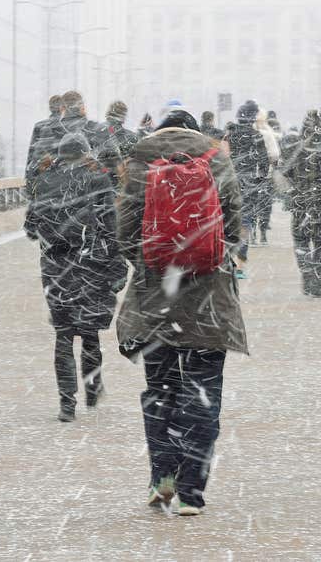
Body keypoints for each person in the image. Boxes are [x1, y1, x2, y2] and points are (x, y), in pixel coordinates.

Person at [115, 107, 247, 515]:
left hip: (155, 301)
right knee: (203, 395)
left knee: (161, 393)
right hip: (209, 301)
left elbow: (124, 234)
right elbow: (235, 228)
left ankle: (163, 477)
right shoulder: (216, 159)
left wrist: (157, 264)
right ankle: (192, 492)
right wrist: (208, 257)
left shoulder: (139, 163)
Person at [24, 132, 126, 421]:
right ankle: (93, 387)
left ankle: (66, 403)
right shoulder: (97, 178)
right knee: (90, 331)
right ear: (85, 152)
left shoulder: (44, 179)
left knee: (63, 334)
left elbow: (31, 228)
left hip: (55, 267)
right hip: (89, 262)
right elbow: (110, 225)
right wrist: (118, 265)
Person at [283, 110, 321, 297]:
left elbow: (287, 172)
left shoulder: (299, 146)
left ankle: (307, 272)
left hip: (302, 201)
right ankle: (318, 281)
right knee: (320, 243)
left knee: (301, 240)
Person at [224, 100, 269, 269]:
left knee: (228, 219)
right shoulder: (256, 136)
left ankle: (228, 258)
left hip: (230, 182)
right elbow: (264, 162)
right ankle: (241, 261)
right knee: (246, 221)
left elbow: (222, 156)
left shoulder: (230, 134)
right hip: (249, 183)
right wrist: (260, 179)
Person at [252, 109, 280, 244]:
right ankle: (263, 234)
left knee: (250, 204)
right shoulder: (268, 133)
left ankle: (251, 233)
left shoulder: (246, 133)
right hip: (265, 174)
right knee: (264, 204)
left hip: (249, 174)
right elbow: (275, 154)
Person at [25, 94, 63, 193]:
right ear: (63, 107)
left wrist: (28, 176)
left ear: (50, 108)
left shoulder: (39, 126)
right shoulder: (67, 126)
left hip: (42, 174)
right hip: (60, 177)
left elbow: (31, 153)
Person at [105, 100, 139, 186]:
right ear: (123, 118)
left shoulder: (96, 133)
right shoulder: (132, 137)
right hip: (122, 184)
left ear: (108, 115)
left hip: (99, 185)